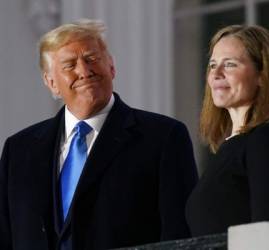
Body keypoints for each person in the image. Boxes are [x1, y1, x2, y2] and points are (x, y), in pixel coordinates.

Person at [0, 19, 198, 250]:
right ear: (51, 82)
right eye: (69, 65)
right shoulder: (19, 150)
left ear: (111, 67)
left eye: (92, 59)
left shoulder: (163, 137)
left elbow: (179, 237)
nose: (84, 71)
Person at [185, 24, 269, 237]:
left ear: (262, 76)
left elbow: (265, 233)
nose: (216, 74)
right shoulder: (230, 146)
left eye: (230, 64)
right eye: (212, 65)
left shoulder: (267, 138)